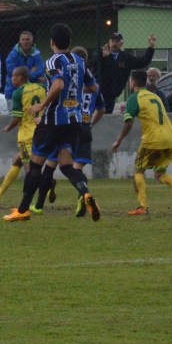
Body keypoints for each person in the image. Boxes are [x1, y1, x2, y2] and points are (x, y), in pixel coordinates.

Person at [4, 23, 101, 222]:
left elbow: (58, 84)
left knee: (35, 165)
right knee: (66, 165)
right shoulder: (80, 61)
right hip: (74, 122)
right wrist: (73, 95)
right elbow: (93, 87)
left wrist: (43, 105)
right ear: (69, 41)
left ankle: (22, 210)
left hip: (53, 121)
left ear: (52, 42)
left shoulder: (52, 62)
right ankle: (85, 193)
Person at [34, 46, 106, 217]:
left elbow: (57, 97)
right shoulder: (91, 83)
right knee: (76, 168)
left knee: (50, 166)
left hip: (65, 123)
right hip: (84, 127)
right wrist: (91, 124)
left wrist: (44, 117)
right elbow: (102, 108)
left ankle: (38, 205)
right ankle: (84, 193)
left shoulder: (67, 83)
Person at [111, 69, 172, 215]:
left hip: (153, 139)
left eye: (130, 81)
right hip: (170, 138)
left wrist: (118, 140)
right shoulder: (155, 96)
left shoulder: (134, 98)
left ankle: (143, 207)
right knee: (159, 174)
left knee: (138, 171)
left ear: (133, 82)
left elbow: (128, 123)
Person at [0, 66, 47, 204]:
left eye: (13, 76)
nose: (11, 79)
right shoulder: (41, 87)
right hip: (43, 132)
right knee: (17, 161)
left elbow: (18, 118)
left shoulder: (18, 93)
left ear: (19, 78)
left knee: (30, 172)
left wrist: (9, 127)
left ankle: (48, 187)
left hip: (27, 136)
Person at [92, 31, 156, 114]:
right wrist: (102, 57)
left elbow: (143, 62)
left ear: (121, 44)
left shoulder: (125, 57)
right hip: (98, 92)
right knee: (94, 115)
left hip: (112, 94)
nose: (114, 43)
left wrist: (151, 47)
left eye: (117, 41)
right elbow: (92, 63)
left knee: (106, 116)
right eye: (113, 41)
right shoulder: (100, 52)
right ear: (109, 42)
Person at [4, 31, 46, 100]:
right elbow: (12, 71)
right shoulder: (12, 55)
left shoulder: (37, 55)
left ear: (32, 41)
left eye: (27, 39)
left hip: (31, 92)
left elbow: (41, 70)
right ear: (19, 41)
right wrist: (31, 72)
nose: (25, 42)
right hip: (13, 91)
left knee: (42, 79)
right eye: (23, 39)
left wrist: (22, 75)